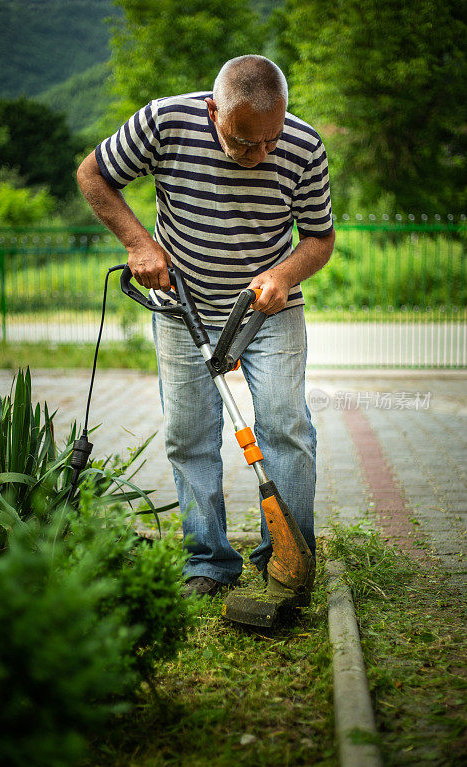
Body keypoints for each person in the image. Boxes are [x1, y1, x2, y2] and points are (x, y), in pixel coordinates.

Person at [77, 54, 335, 598]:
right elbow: (93, 173)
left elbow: (319, 238)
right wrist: (138, 243)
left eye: (271, 139)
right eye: (245, 142)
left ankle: (287, 560)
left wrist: (284, 273)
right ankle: (209, 562)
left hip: (268, 309)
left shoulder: (305, 146)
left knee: (287, 427)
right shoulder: (165, 122)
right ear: (214, 110)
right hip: (182, 303)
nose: (260, 154)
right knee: (189, 435)